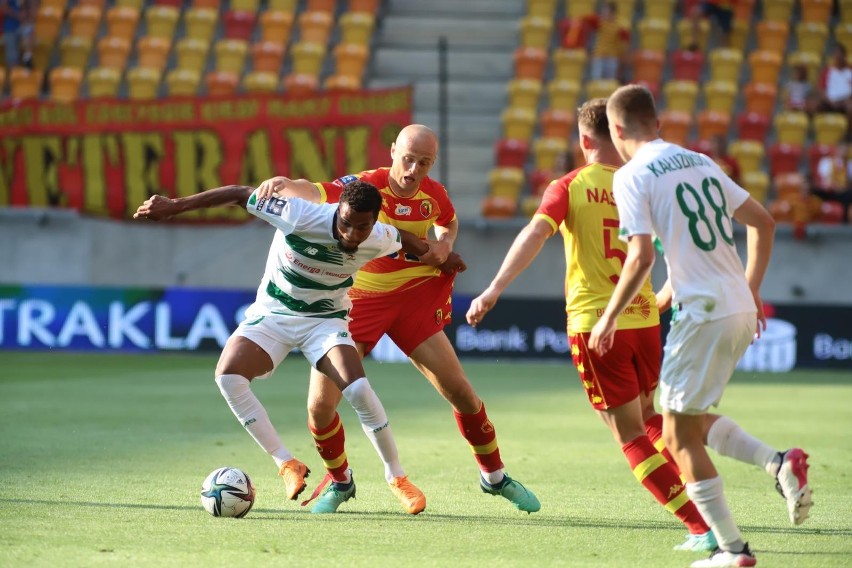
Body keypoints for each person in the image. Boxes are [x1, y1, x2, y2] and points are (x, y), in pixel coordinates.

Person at [466, 98, 716, 552]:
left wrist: (493, 289)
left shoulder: (569, 185)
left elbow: (535, 234)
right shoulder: (640, 183)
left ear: (584, 140)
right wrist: (661, 299)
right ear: (618, 135)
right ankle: (708, 504)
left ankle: (700, 525)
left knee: (628, 435)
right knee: (648, 417)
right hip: (644, 321)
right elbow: (681, 249)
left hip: (597, 325)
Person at [255, 124, 540, 515]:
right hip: (359, 302)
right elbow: (315, 189)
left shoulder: (433, 194)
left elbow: (448, 221)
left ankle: (494, 477)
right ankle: (341, 482)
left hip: (413, 300)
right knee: (320, 408)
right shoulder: (367, 187)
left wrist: (445, 242)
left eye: (424, 163)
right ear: (392, 151)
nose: (413, 170)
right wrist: (285, 183)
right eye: (408, 159)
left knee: (461, 392)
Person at [132, 180, 464, 514]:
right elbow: (236, 194)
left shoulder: (379, 236)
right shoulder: (299, 215)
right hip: (274, 315)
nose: (350, 233)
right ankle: (287, 464)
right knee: (227, 377)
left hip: (325, 322)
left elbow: (405, 239)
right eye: (345, 223)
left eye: (361, 227)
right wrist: (175, 204)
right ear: (338, 212)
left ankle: (397, 478)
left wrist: (439, 258)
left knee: (359, 389)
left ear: (375, 221)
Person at [591, 84, 813, 567]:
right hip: (737, 307)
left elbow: (641, 256)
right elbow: (765, 221)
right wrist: (750, 288)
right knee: (684, 422)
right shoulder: (699, 161)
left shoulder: (631, 176)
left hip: (705, 314)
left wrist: (609, 317)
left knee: (676, 435)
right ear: (659, 123)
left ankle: (733, 550)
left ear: (617, 130)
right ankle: (779, 464)